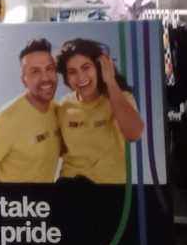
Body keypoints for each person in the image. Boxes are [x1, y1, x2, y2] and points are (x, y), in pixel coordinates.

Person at [56, 38, 145, 184]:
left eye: (86, 67)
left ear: (98, 68)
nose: (80, 77)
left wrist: (110, 81)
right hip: (69, 188)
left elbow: (134, 134)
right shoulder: (64, 105)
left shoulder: (120, 97)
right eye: (72, 72)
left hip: (109, 190)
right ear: (66, 78)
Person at [0, 39, 62, 183]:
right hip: (18, 202)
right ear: (24, 79)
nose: (45, 78)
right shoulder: (6, 120)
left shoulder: (57, 110)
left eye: (49, 69)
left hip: (45, 202)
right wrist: (5, 201)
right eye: (35, 72)